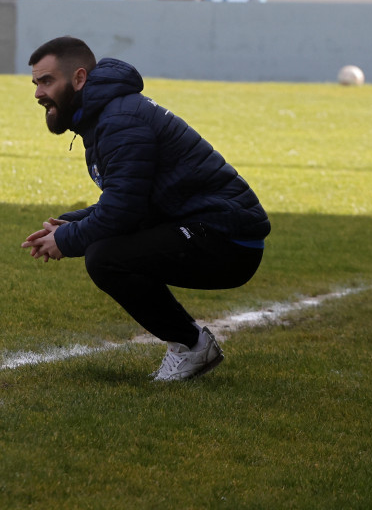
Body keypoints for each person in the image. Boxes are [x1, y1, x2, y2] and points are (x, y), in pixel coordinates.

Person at [21, 37, 270, 381]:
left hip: (227, 240)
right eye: (36, 83)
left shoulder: (120, 120)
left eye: (47, 81)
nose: (37, 93)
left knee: (105, 257)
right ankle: (191, 342)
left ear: (79, 79)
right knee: (104, 249)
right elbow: (131, 201)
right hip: (208, 228)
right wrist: (69, 224)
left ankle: (191, 346)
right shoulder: (107, 115)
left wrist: (67, 240)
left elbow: (123, 211)